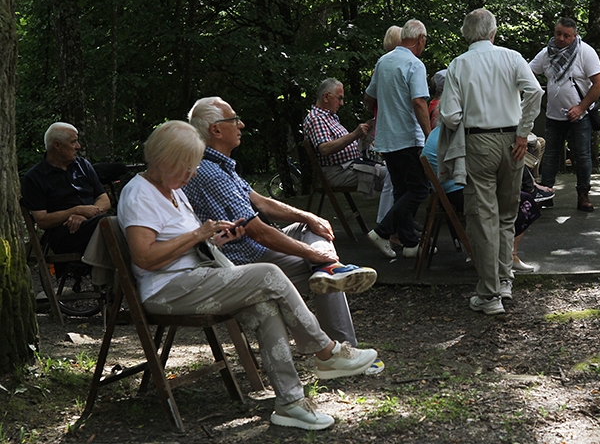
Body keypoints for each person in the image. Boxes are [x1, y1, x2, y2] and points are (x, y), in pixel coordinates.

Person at [118, 120, 377, 431]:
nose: (192, 175)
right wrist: (198, 233)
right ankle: (327, 352)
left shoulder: (172, 189)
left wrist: (213, 239)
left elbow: (181, 244)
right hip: (168, 290)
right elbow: (145, 257)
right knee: (269, 274)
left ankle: (290, 404)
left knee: (264, 306)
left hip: (195, 277)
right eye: (187, 167)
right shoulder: (139, 194)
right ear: (165, 161)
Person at [184, 96, 382, 375]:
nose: (240, 124)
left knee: (313, 240)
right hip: (245, 259)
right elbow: (259, 232)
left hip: (253, 246)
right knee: (322, 269)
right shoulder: (210, 172)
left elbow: (262, 202)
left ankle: (327, 272)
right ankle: (339, 350)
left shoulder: (221, 165)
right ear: (216, 130)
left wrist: (307, 216)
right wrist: (314, 254)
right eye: (233, 120)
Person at [440, 8, 543, 314]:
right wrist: (523, 133)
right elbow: (534, 91)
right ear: (493, 32)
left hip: (478, 143)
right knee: (507, 213)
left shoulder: (459, 65)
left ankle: (489, 294)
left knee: (483, 217)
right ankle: (504, 280)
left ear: (466, 34)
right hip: (514, 142)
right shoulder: (512, 57)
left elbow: (449, 115)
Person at [423, 123, 541, 273]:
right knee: (525, 202)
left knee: (512, 196)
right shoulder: (456, 134)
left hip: (447, 193)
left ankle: (497, 254)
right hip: (461, 191)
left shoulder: (437, 132)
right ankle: (507, 256)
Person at [364, 19, 431, 259]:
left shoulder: (383, 62)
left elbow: (369, 97)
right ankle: (383, 231)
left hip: (386, 138)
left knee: (402, 190)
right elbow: (419, 102)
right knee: (419, 190)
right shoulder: (415, 64)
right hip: (408, 138)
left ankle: (410, 243)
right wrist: (429, 136)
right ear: (420, 38)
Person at [529, 18, 600, 212]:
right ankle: (546, 193)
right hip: (555, 114)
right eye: (558, 34)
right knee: (552, 154)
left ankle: (583, 195)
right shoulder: (547, 53)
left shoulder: (585, 52)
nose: (561, 39)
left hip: (581, 115)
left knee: (582, 154)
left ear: (575, 36)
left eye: (566, 35)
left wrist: (580, 107)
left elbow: (599, 84)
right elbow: (528, 73)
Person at [21, 122, 111, 254]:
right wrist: (76, 210)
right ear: (57, 145)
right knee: (109, 224)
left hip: (94, 223)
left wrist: (84, 216)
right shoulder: (34, 178)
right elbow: (42, 220)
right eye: (73, 142)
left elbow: (104, 199)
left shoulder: (83, 165)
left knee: (122, 221)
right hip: (65, 233)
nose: (78, 146)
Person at [303, 77, 385, 194]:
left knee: (393, 172)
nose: (342, 103)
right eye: (339, 98)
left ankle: (393, 210)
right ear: (326, 97)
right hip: (339, 172)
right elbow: (325, 149)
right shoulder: (316, 118)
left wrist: (364, 136)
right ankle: (393, 211)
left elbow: (348, 144)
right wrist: (355, 134)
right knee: (390, 176)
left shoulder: (330, 117)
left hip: (351, 167)